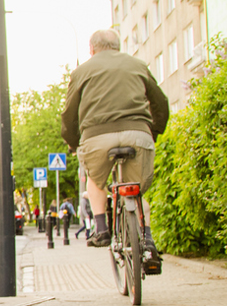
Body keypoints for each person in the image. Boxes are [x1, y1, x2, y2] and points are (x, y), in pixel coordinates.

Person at [61, 29, 169, 266]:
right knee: (137, 190)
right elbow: (160, 102)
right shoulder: (138, 65)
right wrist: (153, 132)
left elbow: (69, 115)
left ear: (92, 49)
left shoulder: (81, 71)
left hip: (97, 137)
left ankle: (100, 228)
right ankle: (148, 241)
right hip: (137, 134)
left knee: (95, 179)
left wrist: (72, 141)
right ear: (118, 46)